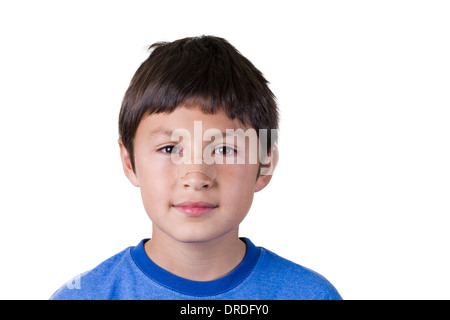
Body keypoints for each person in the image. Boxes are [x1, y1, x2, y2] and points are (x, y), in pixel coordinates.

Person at [50, 36, 342, 300]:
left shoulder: (311, 295)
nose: (196, 176)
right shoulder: (85, 296)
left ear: (264, 164)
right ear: (129, 162)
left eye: (225, 149)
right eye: (169, 149)